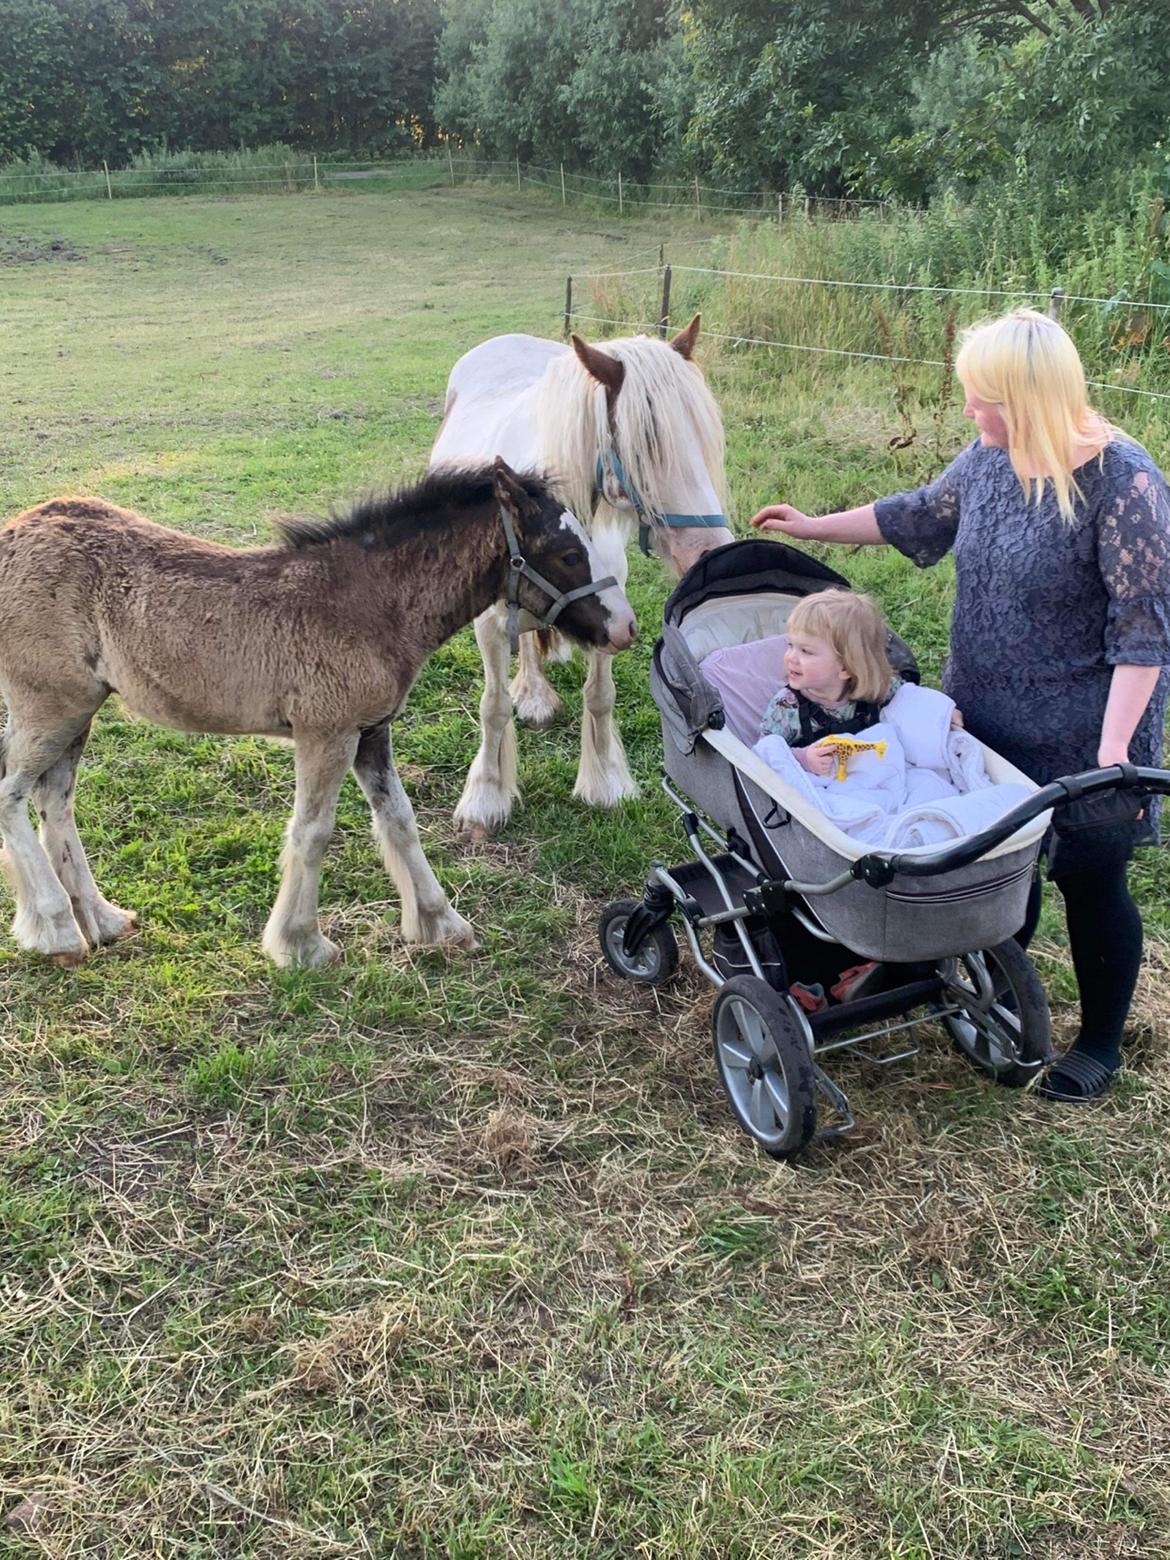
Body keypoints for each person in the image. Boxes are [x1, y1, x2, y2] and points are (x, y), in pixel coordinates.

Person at [751, 308, 1170, 1102]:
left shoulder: (1127, 484)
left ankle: (1102, 1043)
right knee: (997, 860)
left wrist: (1116, 753)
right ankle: (1001, 983)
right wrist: (814, 528)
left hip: (1090, 729)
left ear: (1027, 398)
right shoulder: (988, 459)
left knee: (1090, 874)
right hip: (988, 711)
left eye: (982, 397)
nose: (970, 411)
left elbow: (1144, 635)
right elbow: (917, 515)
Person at [761, 588, 906, 774]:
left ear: (845, 668)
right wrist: (803, 759)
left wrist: (942, 713)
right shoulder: (786, 707)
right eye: (791, 645)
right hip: (818, 790)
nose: (790, 657)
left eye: (806, 651)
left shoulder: (876, 688)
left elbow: (911, 700)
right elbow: (764, 756)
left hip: (869, 776)